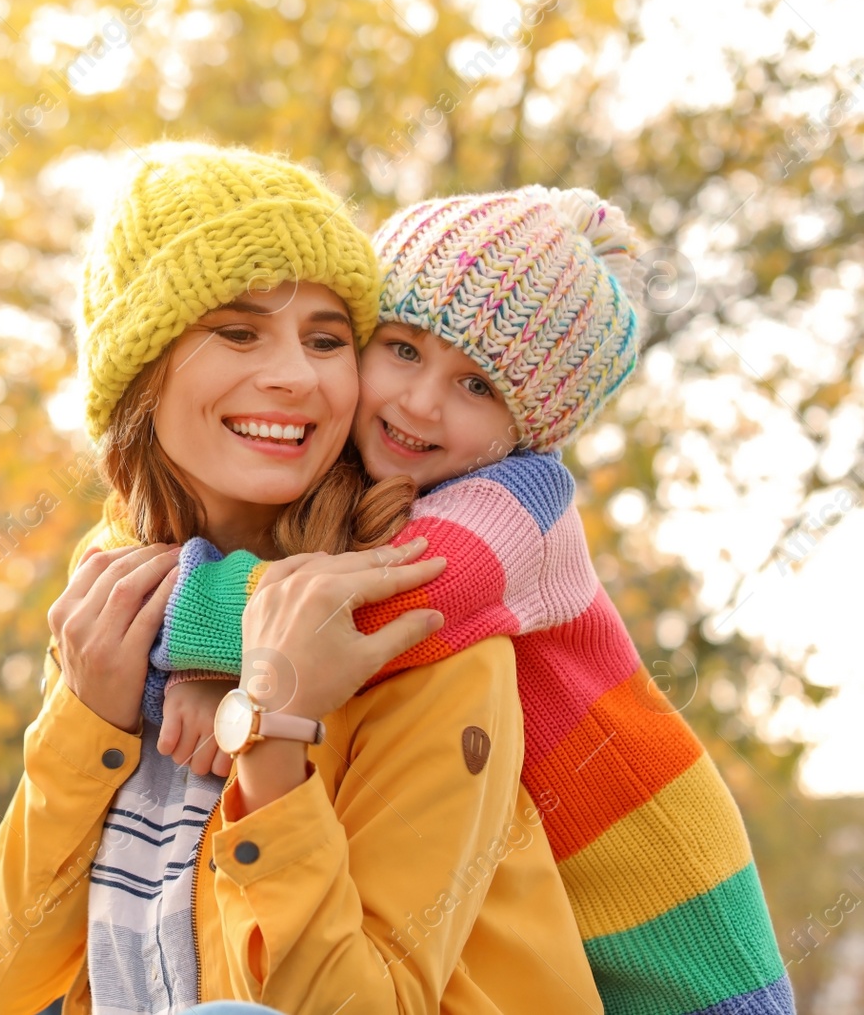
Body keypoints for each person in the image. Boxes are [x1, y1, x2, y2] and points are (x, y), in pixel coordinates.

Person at [0, 142, 602, 1014]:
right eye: (238, 329)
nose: (295, 374)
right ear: (140, 370)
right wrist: (93, 709)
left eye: (329, 339)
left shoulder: (414, 611)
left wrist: (272, 733)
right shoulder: (122, 594)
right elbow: (8, 977)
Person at [134, 186, 795, 1013]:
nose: (420, 402)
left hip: (681, 937)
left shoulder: (517, 511)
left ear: (527, 429)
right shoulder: (385, 493)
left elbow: (356, 619)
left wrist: (166, 618)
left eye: (477, 386)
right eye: (404, 349)